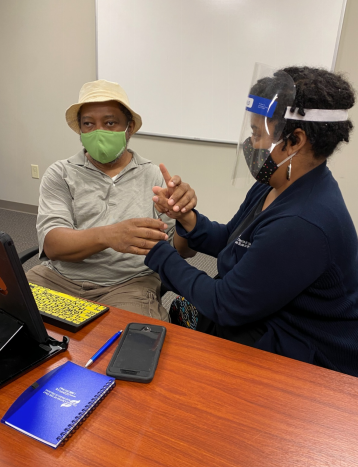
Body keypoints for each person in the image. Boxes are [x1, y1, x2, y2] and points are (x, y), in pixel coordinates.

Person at [144, 65, 358, 376]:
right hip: (271, 313)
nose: (252, 143)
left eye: (258, 133)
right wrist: (188, 219)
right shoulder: (275, 182)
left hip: (311, 356)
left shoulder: (303, 222)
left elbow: (225, 305)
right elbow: (234, 239)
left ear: (295, 140)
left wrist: (161, 254)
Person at [26, 79, 196, 321]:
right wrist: (108, 235)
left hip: (128, 284)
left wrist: (186, 217)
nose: (99, 132)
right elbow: (52, 244)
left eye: (110, 123)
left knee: (136, 348)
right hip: (59, 279)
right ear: (80, 131)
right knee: (13, 324)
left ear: (129, 128)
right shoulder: (60, 172)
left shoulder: (153, 175)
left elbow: (181, 251)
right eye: (88, 124)